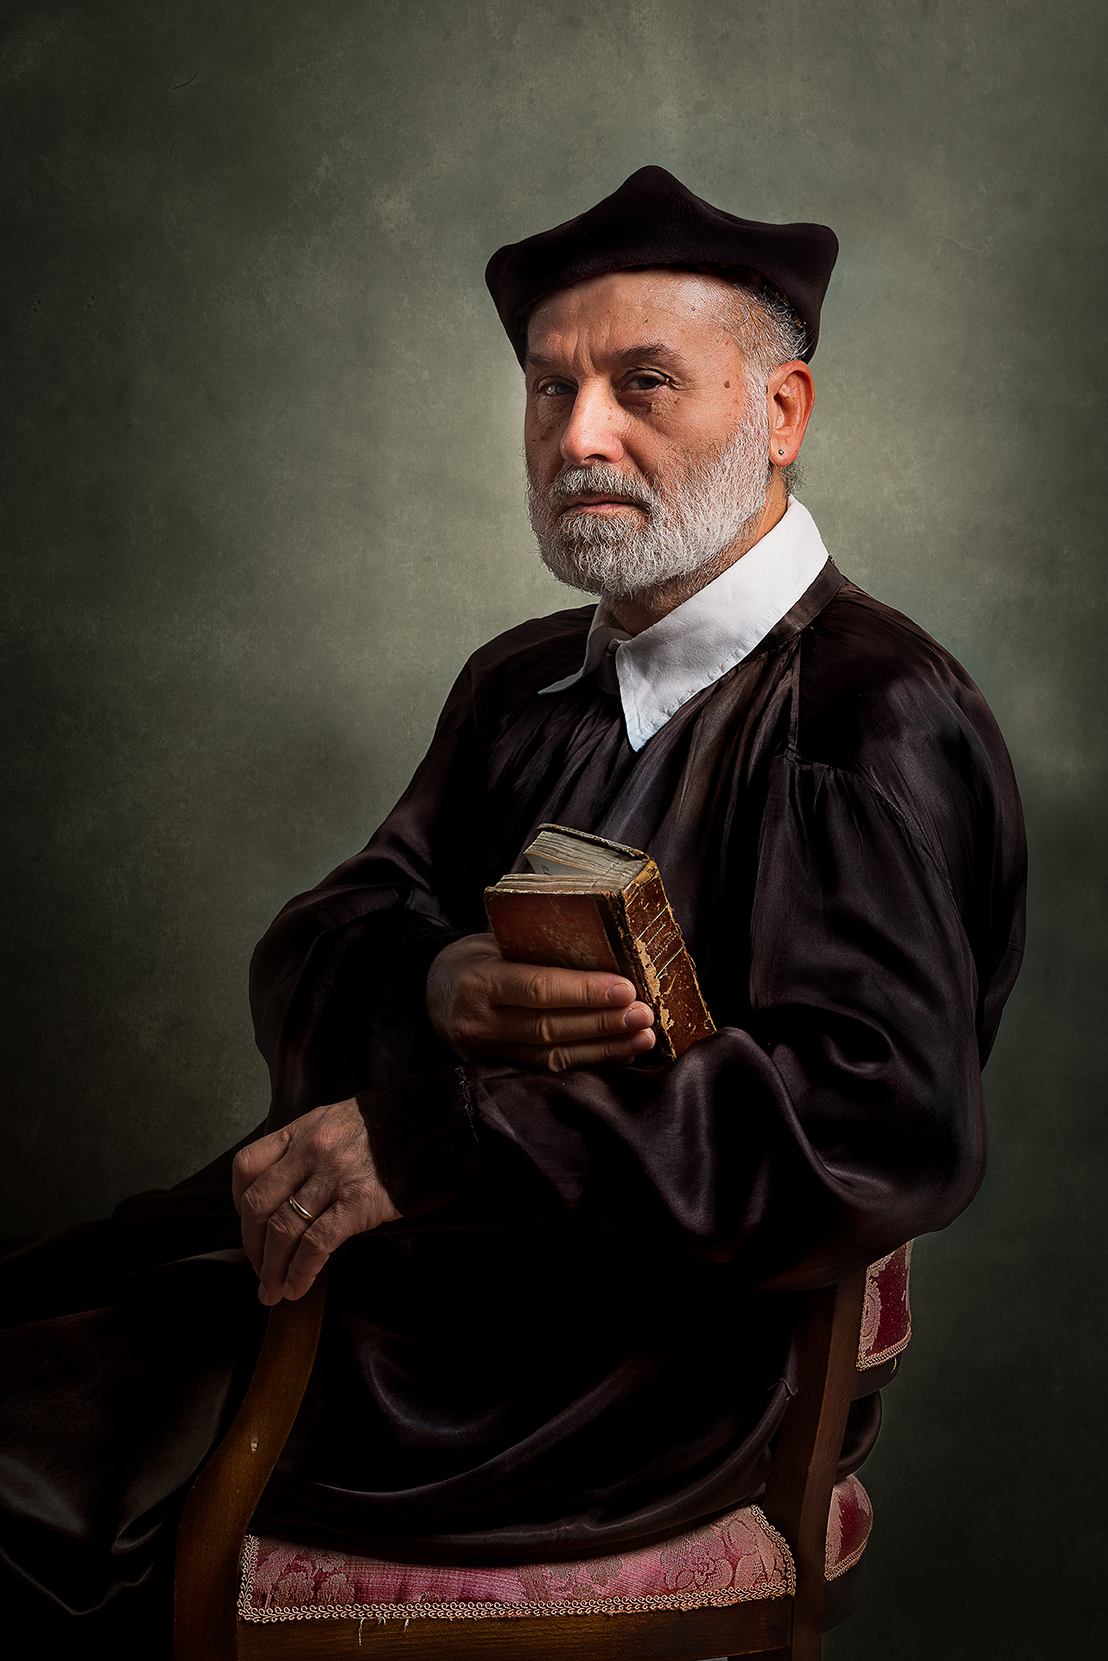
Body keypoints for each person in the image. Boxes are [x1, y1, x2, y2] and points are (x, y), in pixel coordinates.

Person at [0, 167, 1026, 1643]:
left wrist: (444, 1136)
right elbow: (327, 933)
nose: (580, 436)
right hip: (421, 1276)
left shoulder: (868, 716)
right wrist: (436, 984)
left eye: (643, 384)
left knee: (38, 1465)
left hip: (614, 1373)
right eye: (552, 389)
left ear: (782, 412)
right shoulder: (521, 682)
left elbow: (877, 1122)